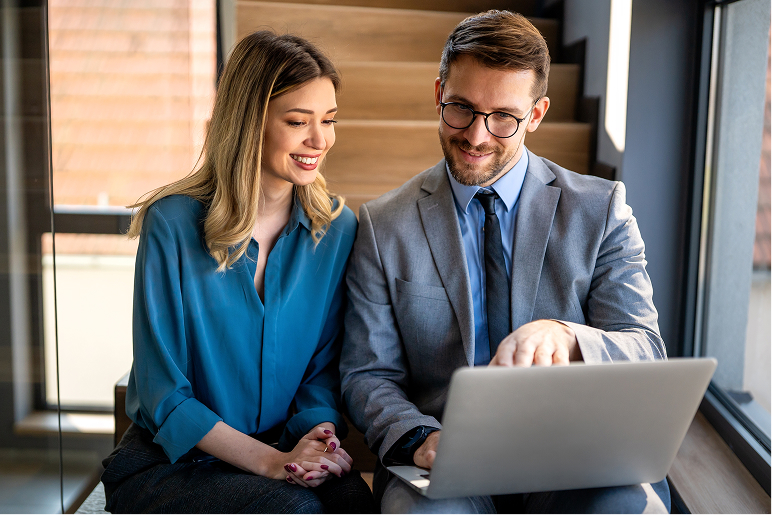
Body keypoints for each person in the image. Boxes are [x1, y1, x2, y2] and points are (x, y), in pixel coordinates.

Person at [340, 10, 670, 514]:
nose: (476, 136)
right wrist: (419, 438)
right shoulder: (383, 226)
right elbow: (368, 374)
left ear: (536, 115)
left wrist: (567, 336)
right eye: (461, 108)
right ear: (438, 95)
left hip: (574, 453)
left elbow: (645, 347)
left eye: (503, 118)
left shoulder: (601, 210)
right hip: (442, 462)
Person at [100, 31, 376, 514]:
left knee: (352, 500)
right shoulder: (172, 224)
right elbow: (165, 393)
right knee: (295, 509)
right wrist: (274, 463)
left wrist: (320, 440)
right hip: (171, 463)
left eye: (329, 120)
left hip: (281, 444)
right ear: (251, 123)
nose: (320, 140)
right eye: (298, 121)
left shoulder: (335, 230)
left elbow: (321, 371)